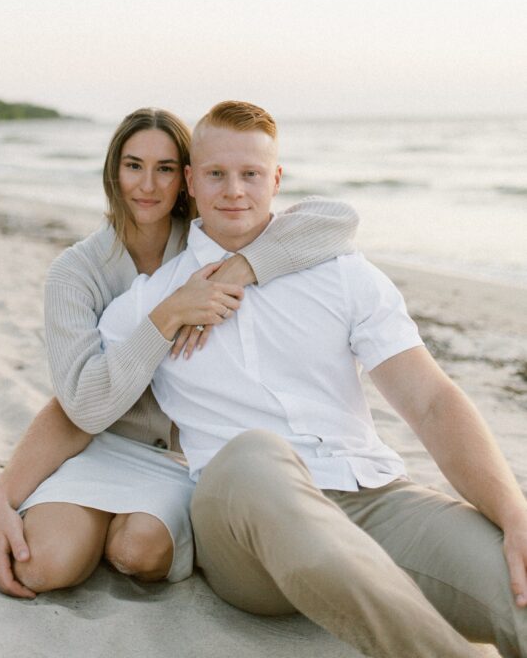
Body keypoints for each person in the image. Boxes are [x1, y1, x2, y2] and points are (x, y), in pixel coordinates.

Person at [99, 100, 527, 658]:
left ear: (276, 180)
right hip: (242, 524)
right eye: (216, 174)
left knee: (513, 578)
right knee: (255, 454)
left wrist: (513, 513)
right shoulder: (153, 301)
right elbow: (87, 402)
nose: (234, 191)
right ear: (190, 182)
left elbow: (431, 401)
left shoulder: (342, 273)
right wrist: (9, 496)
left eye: (251, 174)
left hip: (371, 497)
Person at [0, 107, 359, 597]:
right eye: (133, 166)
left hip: (186, 455)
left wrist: (243, 267)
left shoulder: (213, 239)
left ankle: (123, 528)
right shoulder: (75, 273)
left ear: (186, 178)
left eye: (164, 169)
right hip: (101, 441)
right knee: (41, 567)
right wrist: (168, 314)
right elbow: (79, 402)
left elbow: (337, 222)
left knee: (136, 551)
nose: (148, 185)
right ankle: (83, 521)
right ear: (113, 171)